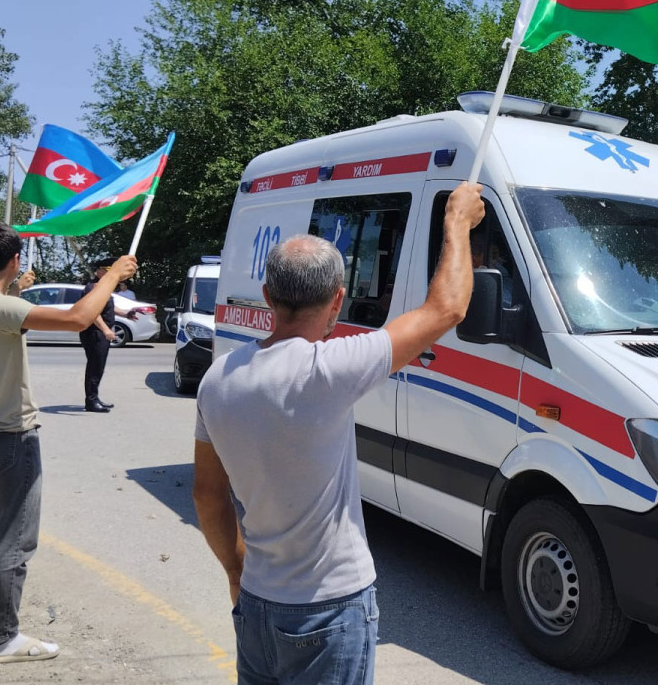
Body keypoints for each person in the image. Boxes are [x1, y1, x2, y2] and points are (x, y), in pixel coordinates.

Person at [193, 182, 484, 685]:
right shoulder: (328, 370)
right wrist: (456, 223)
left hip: (258, 605)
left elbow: (207, 496)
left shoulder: (218, 379)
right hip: (328, 610)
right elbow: (446, 310)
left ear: (267, 297)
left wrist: (239, 574)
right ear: (338, 299)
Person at [0, 222, 137, 664]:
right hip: (8, 436)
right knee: (13, 541)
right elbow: (77, 318)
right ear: (14, 260)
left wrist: (18, 288)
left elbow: (4, 315)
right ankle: (4, 637)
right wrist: (111, 275)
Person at [79, 259, 118, 413]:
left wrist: (127, 313)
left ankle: (95, 398)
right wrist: (106, 330)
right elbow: (92, 312)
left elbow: (107, 307)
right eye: (108, 271)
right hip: (94, 333)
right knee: (95, 367)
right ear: (99, 272)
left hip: (100, 333)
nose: (110, 275)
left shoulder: (103, 288)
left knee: (98, 367)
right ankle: (91, 401)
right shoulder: (92, 288)